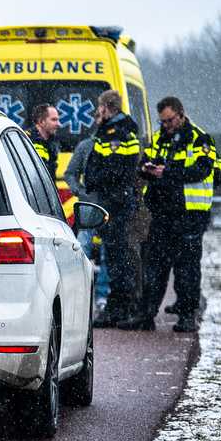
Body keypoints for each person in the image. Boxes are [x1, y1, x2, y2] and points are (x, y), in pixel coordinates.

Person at [120, 97, 219, 332]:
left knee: (186, 268)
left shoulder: (199, 138)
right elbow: (144, 162)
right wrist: (146, 169)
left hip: (190, 215)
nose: (166, 125)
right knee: (154, 266)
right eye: (162, 121)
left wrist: (168, 171)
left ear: (181, 114)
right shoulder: (159, 138)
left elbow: (202, 170)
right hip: (162, 213)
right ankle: (146, 315)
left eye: (170, 120)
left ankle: (187, 316)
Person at [83, 90, 142, 327]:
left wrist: (98, 179)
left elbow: (120, 170)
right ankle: (116, 308)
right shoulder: (106, 131)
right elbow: (98, 164)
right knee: (112, 256)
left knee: (119, 259)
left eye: (100, 107)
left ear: (108, 107)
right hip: (109, 201)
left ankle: (122, 307)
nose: (98, 112)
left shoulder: (123, 133)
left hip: (117, 203)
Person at [64, 132, 110, 309]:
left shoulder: (119, 145)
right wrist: (80, 192)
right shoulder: (86, 146)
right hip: (89, 208)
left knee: (107, 254)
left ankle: (102, 295)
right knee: (81, 251)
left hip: (110, 206)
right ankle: (75, 294)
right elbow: (70, 173)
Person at [27, 103, 61, 182]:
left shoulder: (52, 142)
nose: (58, 124)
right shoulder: (26, 140)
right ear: (41, 121)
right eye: (54, 120)